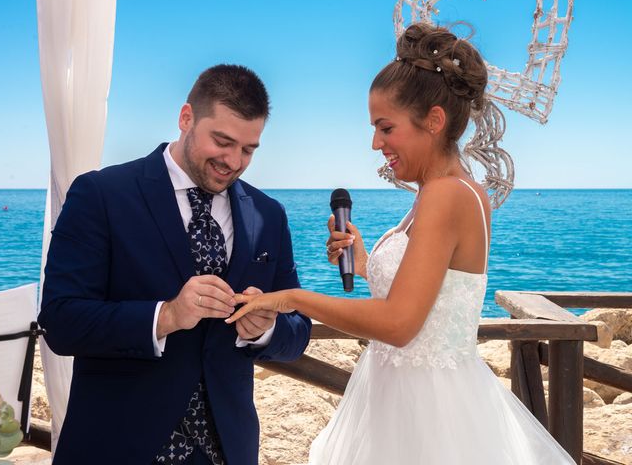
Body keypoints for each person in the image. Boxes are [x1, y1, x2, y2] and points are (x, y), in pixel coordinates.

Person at [227, 24, 576, 464]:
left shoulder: (446, 195)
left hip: (429, 413)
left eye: (385, 127)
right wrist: (364, 257)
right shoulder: (446, 191)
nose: (376, 143)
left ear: (433, 120)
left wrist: (291, 298)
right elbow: (431, 293)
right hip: (401, 394)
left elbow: (399, 323)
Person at [38, 64, 312, 465]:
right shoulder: (101, 194)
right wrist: (165, 316)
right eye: (223, 141)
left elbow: (298, 330)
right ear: (186, 118)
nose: (234, 161)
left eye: (249, 149)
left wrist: (267, 330)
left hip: (228, 451)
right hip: (118, 446)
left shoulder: (269, 214)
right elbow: (60, 322)